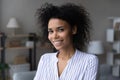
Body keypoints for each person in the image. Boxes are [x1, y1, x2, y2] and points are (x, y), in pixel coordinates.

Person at [34, 3, 98, 80]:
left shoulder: (89, 61)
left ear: (73, 29)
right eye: (51, 31)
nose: (54, 36)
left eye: (60, 30)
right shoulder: (45, 59)